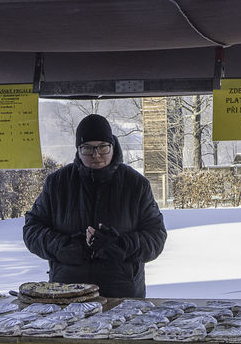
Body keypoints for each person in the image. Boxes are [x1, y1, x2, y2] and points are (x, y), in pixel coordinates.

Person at [24, 114, 167, 298]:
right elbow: (32, 229)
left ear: (112, 146)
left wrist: (120, 245)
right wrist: (62, 247)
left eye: (102, 147)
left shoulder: (136, 185)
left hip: (122, 295)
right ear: (78, 150)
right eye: (87, 148)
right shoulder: (58, 183)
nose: (96, 155)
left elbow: (156, 236)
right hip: (67, 295)